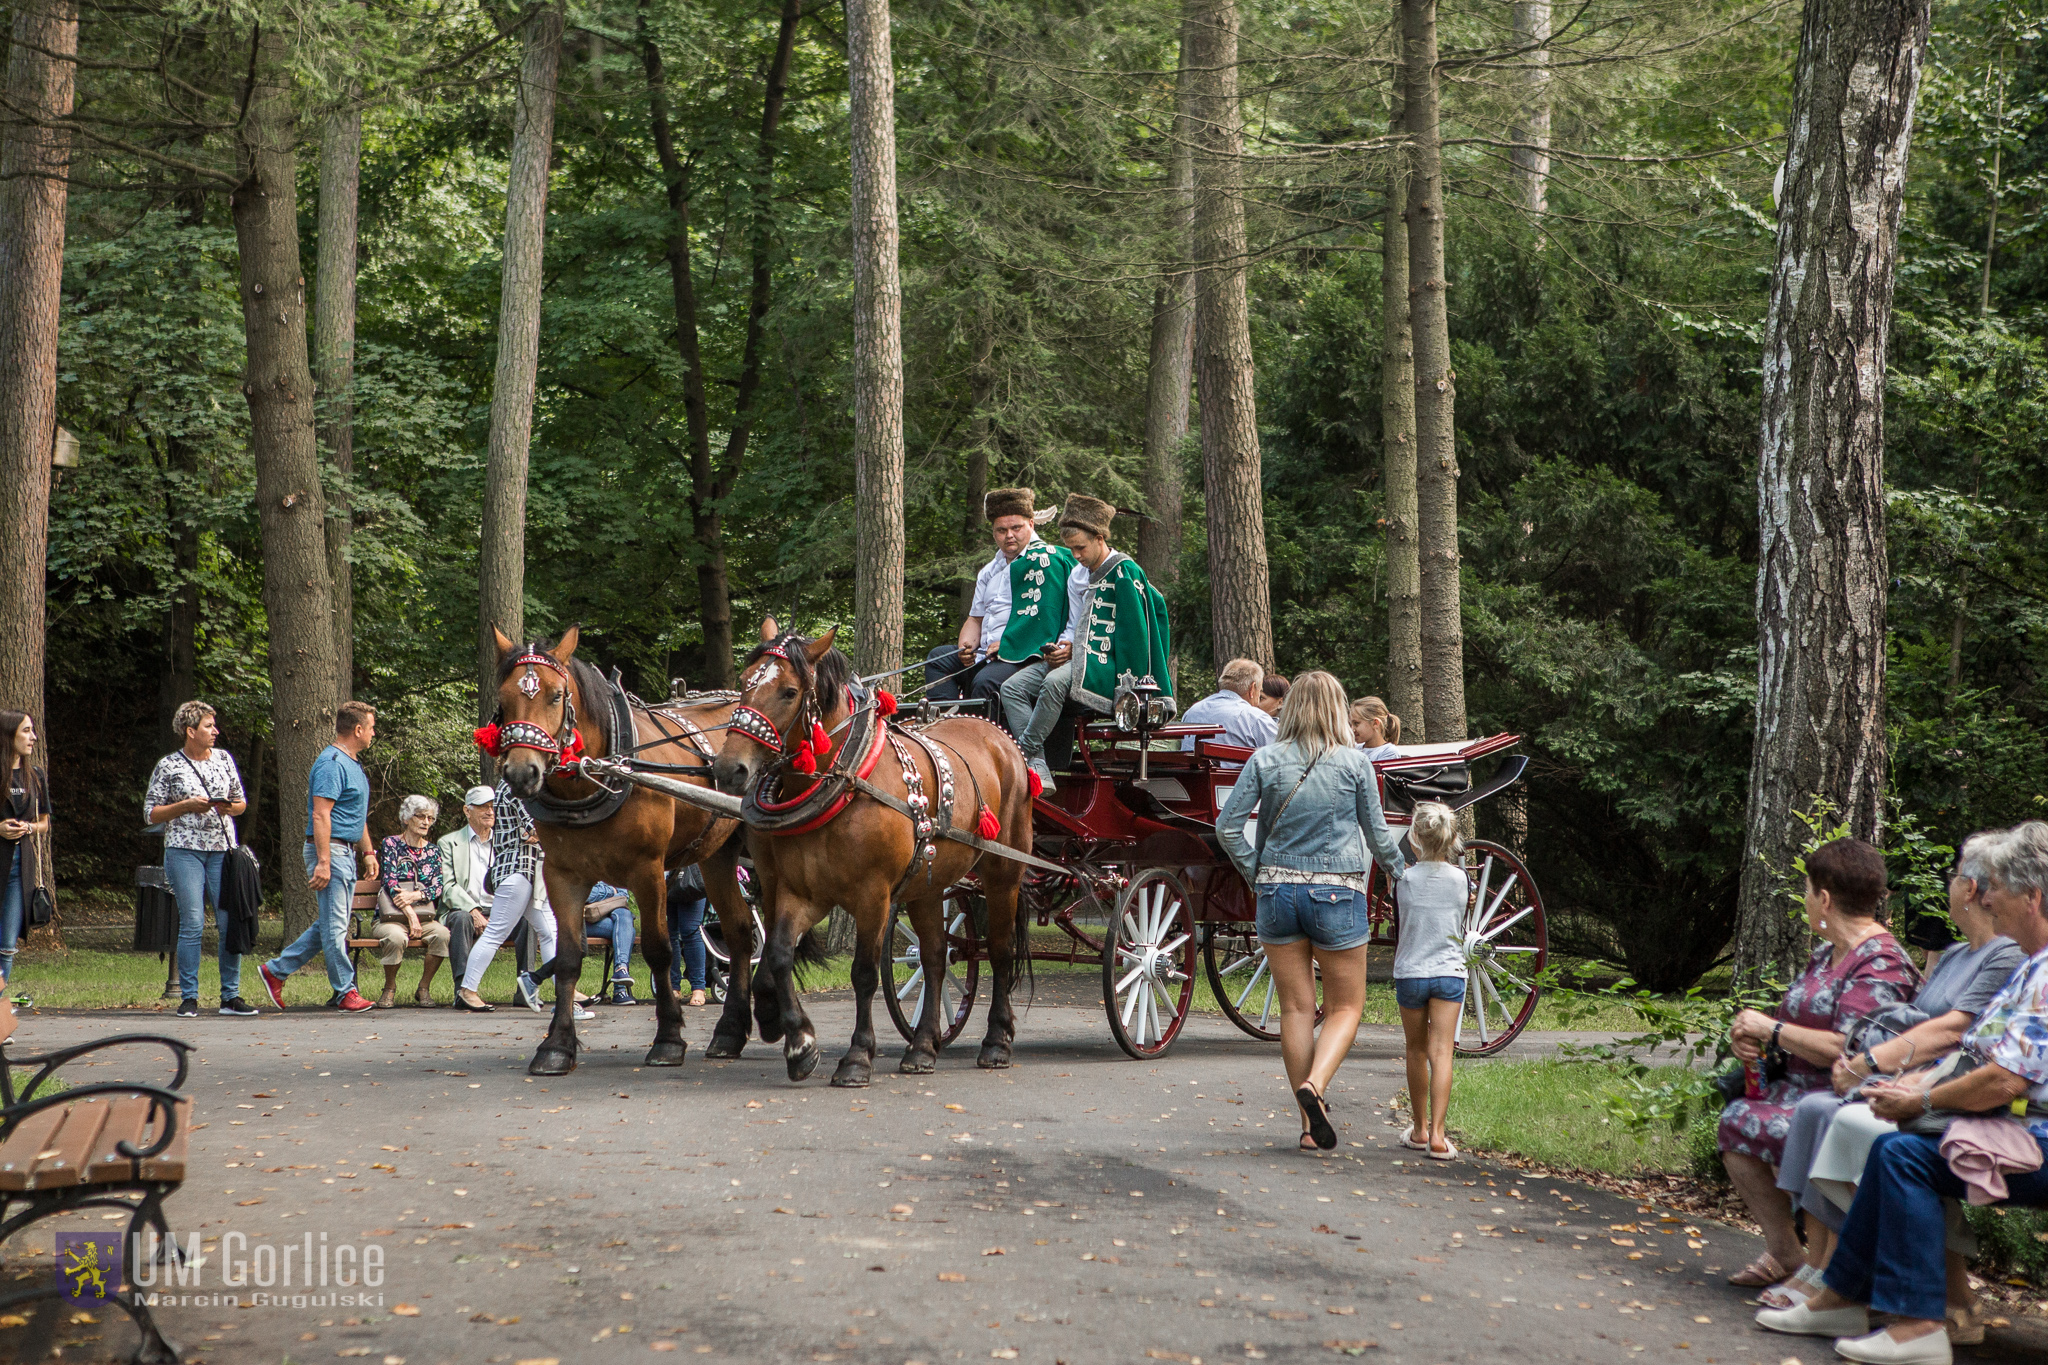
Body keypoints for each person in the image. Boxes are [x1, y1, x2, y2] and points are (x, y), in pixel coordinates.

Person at [1759, 823, 2048, 1365]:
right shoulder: (2032, 965)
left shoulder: (2040, 970)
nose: (1991, 899)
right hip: (2019, 1122)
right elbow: (1983, 1058)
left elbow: (2008, 1080)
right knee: (1895, 1150)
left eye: (2000, 889)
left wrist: (1924, 1101)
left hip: (2035, 1131)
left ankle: (1909, 1320)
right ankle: (1846, 1299)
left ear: (2032, 898)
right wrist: (1919, 1083)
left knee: (1904, 1156)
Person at [1216, 671, 1408, 1154]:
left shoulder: (1264, 759)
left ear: (1293, 706)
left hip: (1276, 895)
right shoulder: (1354, 764)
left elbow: (1227, 827)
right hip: (1337, 895)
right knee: (1346, 1007)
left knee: (1296, 1009)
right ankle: (1317, 1086)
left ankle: (1307, 1125)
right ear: (1338, 710)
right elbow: (1379, 836)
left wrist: (1256, 872)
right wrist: (1407, 877)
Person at [1717, 836, 1921, 1287]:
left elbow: (1850, 1050)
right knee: (1738, 1119)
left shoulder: (1881, 963)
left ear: (1824, 898)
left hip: (1844, 1093)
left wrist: (1771, 1029)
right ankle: (1786, 1253)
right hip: (1796, 1086)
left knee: (1789, 1125)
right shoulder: (1825, 954)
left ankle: (1827, 1268)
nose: (1806, 901)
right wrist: (1754, 1042)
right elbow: (1796, 1024)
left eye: (1807, 891)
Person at [999, 493, 1173, 790]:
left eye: (1080, 548)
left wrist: (1130, 687)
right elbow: (1073, 624)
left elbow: (1135, 634)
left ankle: (1024, 751)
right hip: (1075, 658)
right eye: (1071, 549)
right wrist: (1064, 647)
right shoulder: (1077, 576)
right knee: (1011, 687)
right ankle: (1038, 764)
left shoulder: (1125, 570)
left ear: (1100, 537)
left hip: (1109, 665)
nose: (1076, 555)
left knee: (1054, 683)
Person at [258, 702, 380, 1013]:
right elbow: (321, 814)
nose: (373, 732)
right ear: (357, 730)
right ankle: (345, 991)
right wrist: (324, 861)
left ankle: (276, 971)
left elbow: (355, 814)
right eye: (371, 727)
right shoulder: (331, 763)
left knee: (328, 924)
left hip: (345, 850)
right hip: (331, 850)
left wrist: (367, 851)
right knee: (336, 926)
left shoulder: (353, 764)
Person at [923, 488, 1077, 727]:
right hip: (988, 654)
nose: (1009, 536)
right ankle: (949, 730)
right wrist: (966, 647)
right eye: (1001, 530)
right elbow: (975, 619)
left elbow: (1043, 618)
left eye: (1016, 528)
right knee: (938, 659)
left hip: (1024, 656)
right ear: (993, 533)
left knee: (986, 681)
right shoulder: (988, 571)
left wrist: (1007, 645)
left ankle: (980, 748)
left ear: (1031, 525)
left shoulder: (1046, 561)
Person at [144, 701, 255, 1017]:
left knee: (227, 921)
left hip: (222, 850)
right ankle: (189, 997)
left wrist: (228, 807)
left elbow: (241, 802)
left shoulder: (224, 759)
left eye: (214, 725)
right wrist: (186, 806)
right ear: (190, 731)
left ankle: (230, 996)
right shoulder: (169, 766)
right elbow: (151, 812)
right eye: (209, 726)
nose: (215, 731)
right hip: (183, 851)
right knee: (193, 921)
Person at [1392, 801, 1468, 1160]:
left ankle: (1419, 1129)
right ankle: (1439, 1135)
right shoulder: (1460, 880)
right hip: (1449, 973)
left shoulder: (1403, 879)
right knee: (1442, 1053)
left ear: (1415, 839)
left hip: (1411, 972)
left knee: (1416, 1050)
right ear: (1451, 838)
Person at [456, 780, 562, 1013]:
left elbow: (532, 833)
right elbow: (533, 828)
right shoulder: (519, 784)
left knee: (548, 931)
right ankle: (467, 990)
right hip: (517, 869)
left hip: (530, 871)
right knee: (496, 932)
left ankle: (565, 992)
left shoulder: (522, 784)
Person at [372, 795, 453, 1008]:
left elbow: (437, 887)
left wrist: (415, 896)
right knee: (396, 938)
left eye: (430, 818)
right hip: (392, 917)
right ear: (407, 818)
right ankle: (389, 988)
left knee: (442, 934)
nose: (426, 822)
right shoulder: (391, 844)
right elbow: (390, 882)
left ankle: (423, 988)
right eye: (421, 817)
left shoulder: (433, 851)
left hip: (424, 916)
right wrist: (410, 914)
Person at [0, 711, 50, 1008]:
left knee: (7, 946)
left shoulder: (36, 775)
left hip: (22, 866)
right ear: (9, 736)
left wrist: (28, 827)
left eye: (33, 731)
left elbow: (44, 822)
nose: (33, 738)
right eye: (26, 731)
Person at [435, 786, 496, 984]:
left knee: (525, 921)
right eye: (483, 807)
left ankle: (526, 988)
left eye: (492, 806)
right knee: (461, 919)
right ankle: (462, 987)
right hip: (464, 909)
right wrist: (474, 910)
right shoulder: (449, 842)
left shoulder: (503, 843)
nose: (489, 811)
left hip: (499, 909)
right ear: (467, 810)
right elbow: (448, 885)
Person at [1178, 658, 1277, 758]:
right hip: (1235, 773)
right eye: (1259, 691)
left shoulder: (1192, 711)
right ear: (1252, 689)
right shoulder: (1254, 718)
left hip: (1192, 773)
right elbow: (1282, 756)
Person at [579, 881, 637, 1006]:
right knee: (627, 930)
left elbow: (623, 895)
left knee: (624, 914)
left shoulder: (614, 865)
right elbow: (583, 894)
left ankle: (621, 970)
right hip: (583, 920)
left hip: (609, 914)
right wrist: (611, 890)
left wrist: (600, 891)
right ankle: (620, 990)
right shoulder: (583, 863)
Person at [668, 864, 710, 1007]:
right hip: (663, 878)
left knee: (690, 930)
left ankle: (698, 988)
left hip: (691, 876)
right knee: (668, 933)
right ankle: (673, 987)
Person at [1349, 696, 1402, 762]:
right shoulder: (1355, 748)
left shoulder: (1388, 752)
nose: (1352, 729)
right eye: (1350, 724)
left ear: (1375, 723)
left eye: (1356, 723)